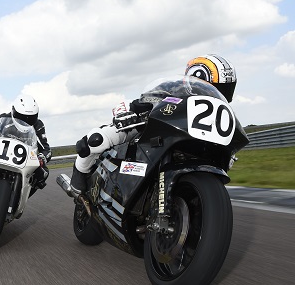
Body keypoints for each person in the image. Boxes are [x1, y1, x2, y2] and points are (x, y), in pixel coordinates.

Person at [69, 54, 238, 194]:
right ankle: (79, 178)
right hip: (151, 128)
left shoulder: (220, 117)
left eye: (227, 87)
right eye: (219, 86)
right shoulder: (173, 87)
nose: (223, 92)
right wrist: (130, 113)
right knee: (97, 139)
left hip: (189, 142)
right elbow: (140, 101)